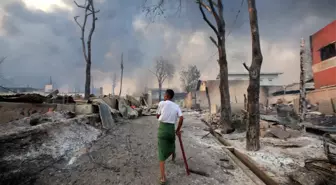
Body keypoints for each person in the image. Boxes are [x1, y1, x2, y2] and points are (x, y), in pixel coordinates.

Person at [156, 89, 183, 185]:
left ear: (166, 96)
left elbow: (157, 115)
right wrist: (178, 129)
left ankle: (163, 178)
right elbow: (181, 118)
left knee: (161, 153)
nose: (164, 96)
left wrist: (161, 115)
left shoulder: (162, 103)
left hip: (162, 129)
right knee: (172, 143)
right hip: (171, 129)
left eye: (164, 95)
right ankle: (173, 155)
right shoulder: (176, 106)